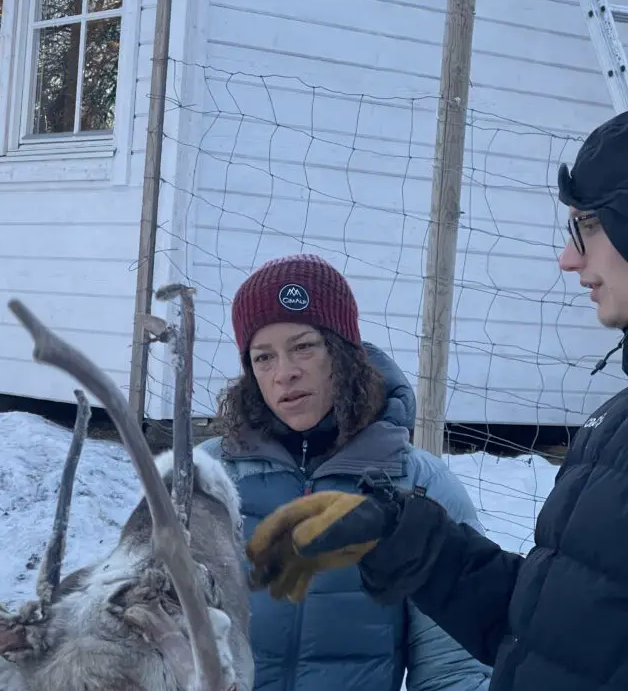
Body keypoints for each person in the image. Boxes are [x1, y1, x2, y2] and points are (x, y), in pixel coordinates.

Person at [246, 111, 628, 691]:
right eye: (262, 356)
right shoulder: (612, 429)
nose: (568, 257)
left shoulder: (421, 475)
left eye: (587, 225)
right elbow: (553, 638)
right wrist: (408, 540)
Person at [202, 253, 492, 691]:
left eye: (304, 347)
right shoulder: (206, 478)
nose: (285, 373)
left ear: (343, 353)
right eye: (264, 357)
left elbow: (454, 669)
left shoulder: (418, 484)